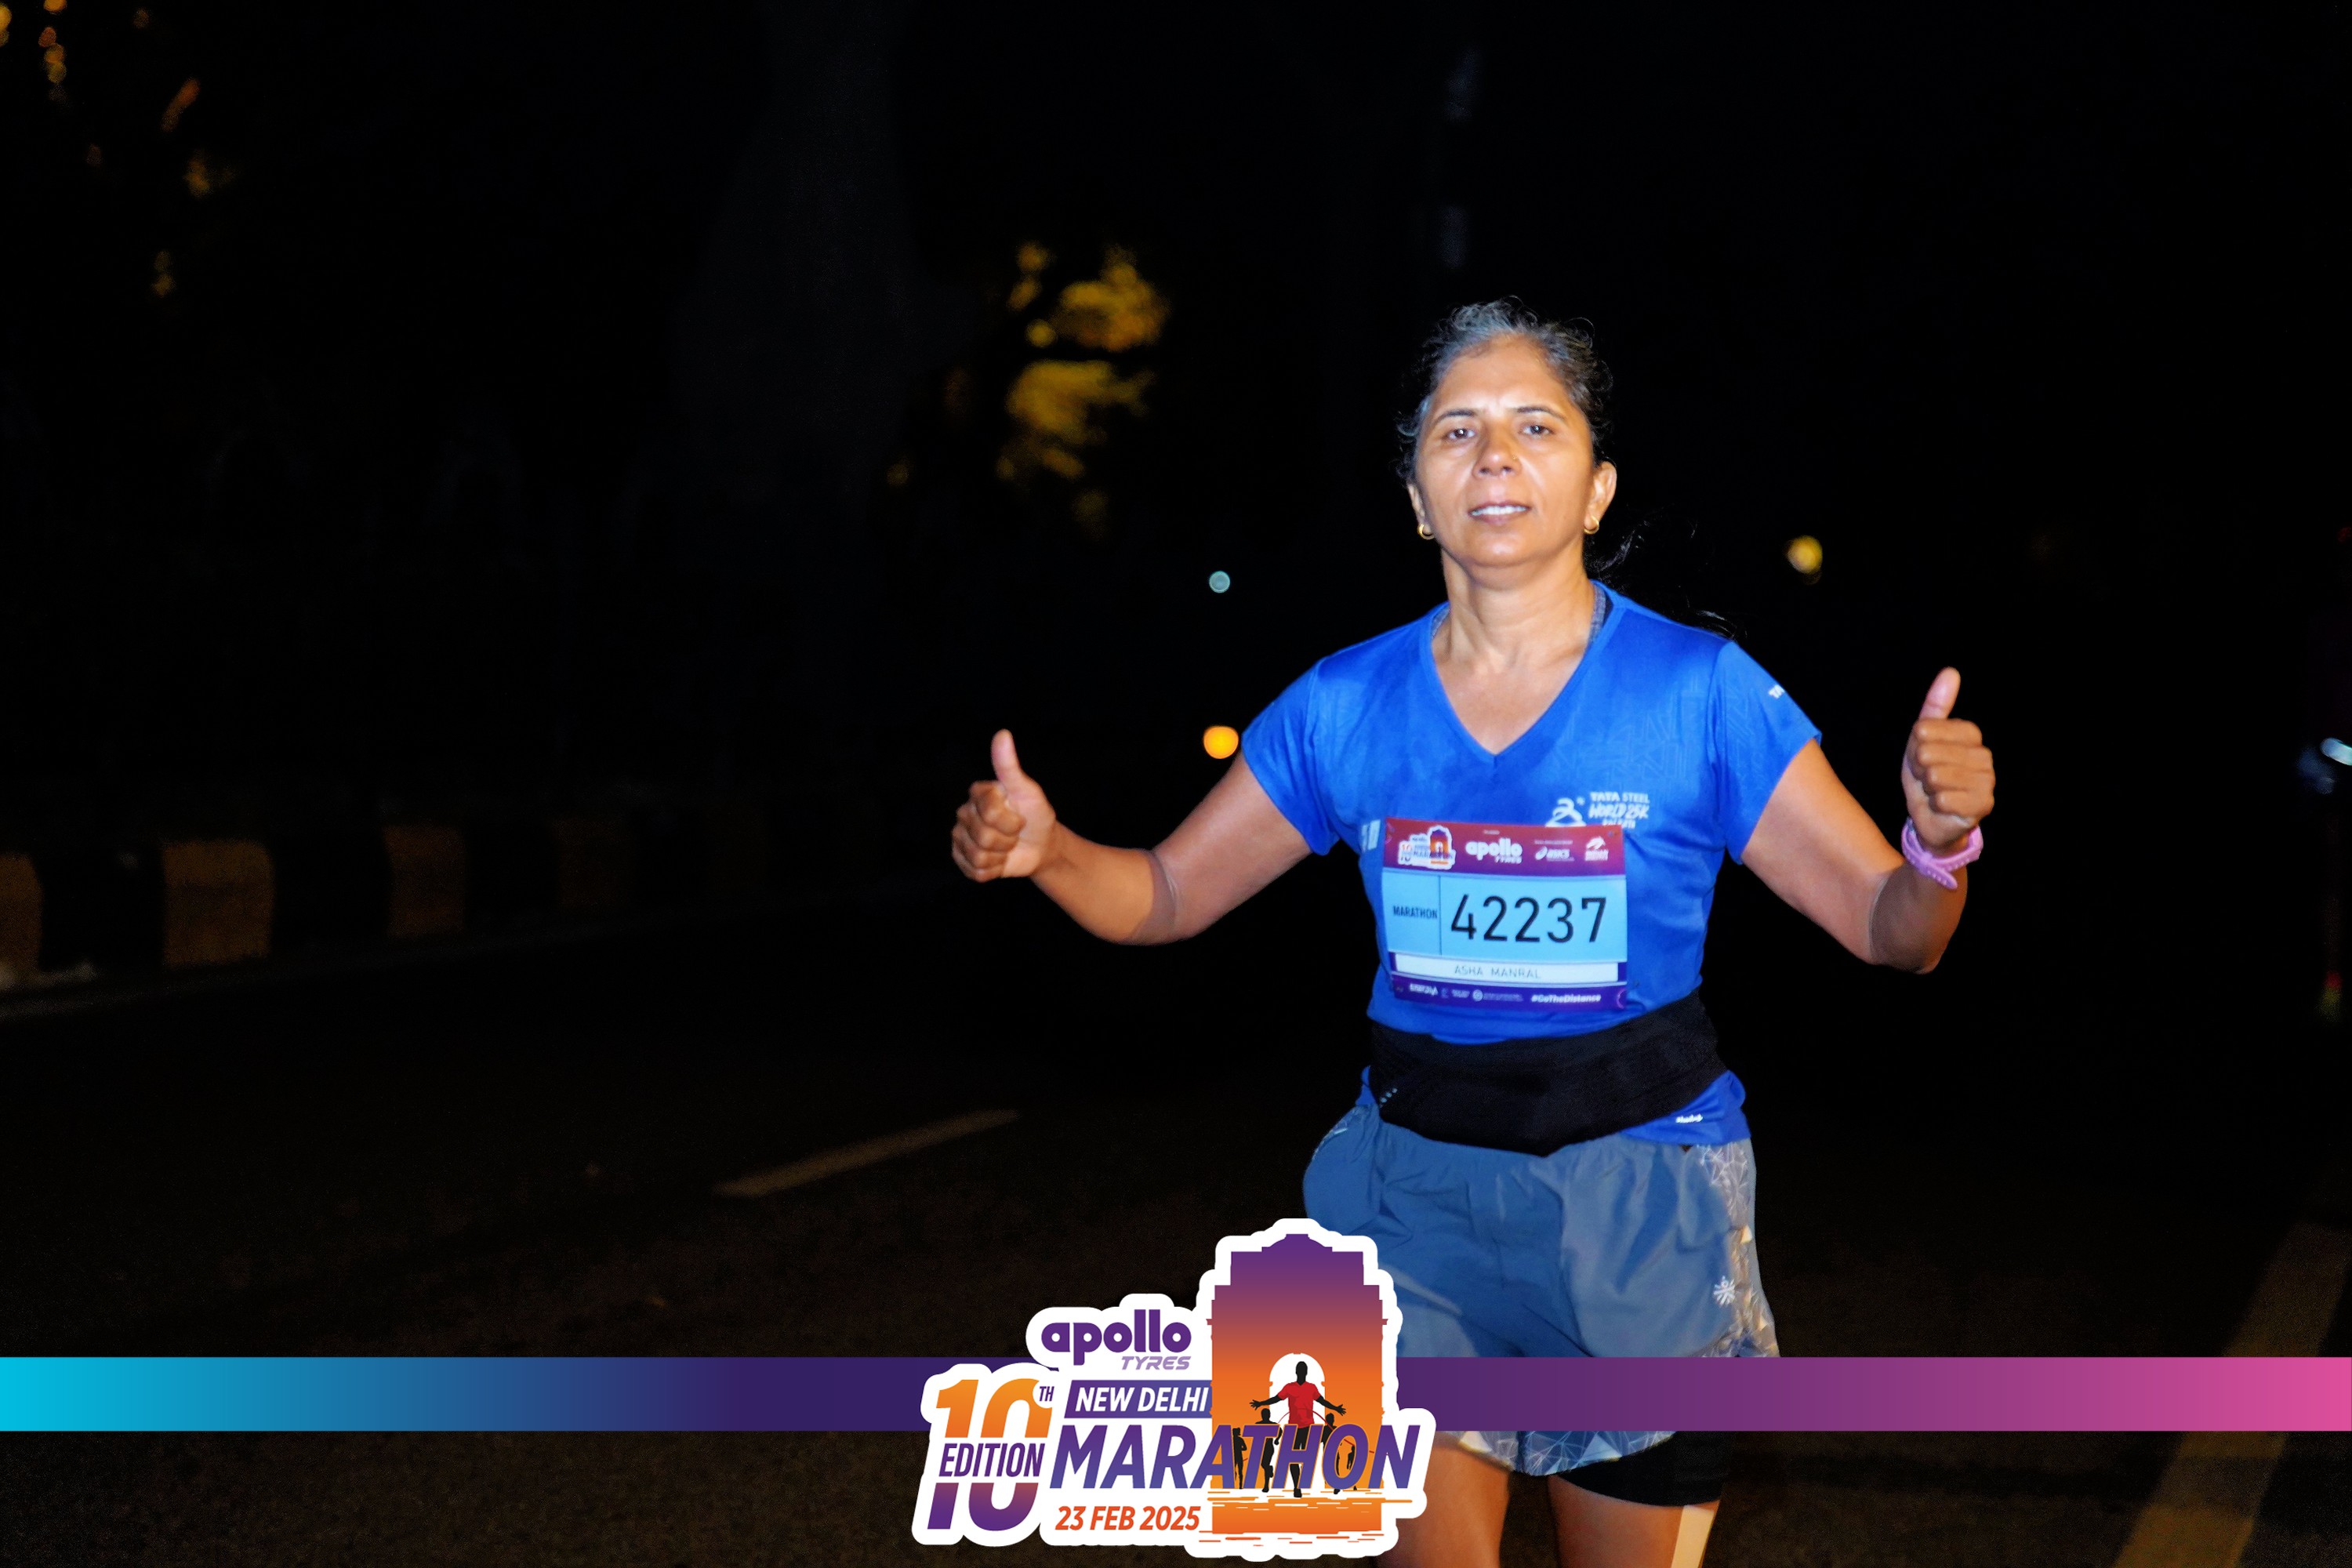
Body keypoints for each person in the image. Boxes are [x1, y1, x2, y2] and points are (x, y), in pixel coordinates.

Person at [949, 300, 1996, 1568]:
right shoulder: (1343, 706)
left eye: (1536, 427)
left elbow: (1894, 934)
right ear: (1414, 496)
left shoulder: (1701, 693)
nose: (1495, 455)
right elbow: (1168, 893)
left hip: (1640, 1206)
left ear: (1597, 489)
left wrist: (1938, 848)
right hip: (1412, 1208)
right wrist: (1051, 850)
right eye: (1458, 431)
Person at [1253, 1359, 1345, 1497]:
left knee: (1308, 1458)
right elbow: (1276, 1398)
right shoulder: (1289, 1387)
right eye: (1300, 1370)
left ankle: (1331, 1481)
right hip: (1294, 1429)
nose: (1302, 1372)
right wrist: (1261, 1403)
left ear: (1306, 1372)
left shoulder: (1312, 1388)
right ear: (1297, 1372)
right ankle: (1297, 1487)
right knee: (1292, 1459)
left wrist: (1335, 1408)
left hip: (1309, 1428)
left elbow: (1322, 1401)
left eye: (1304, 1370)